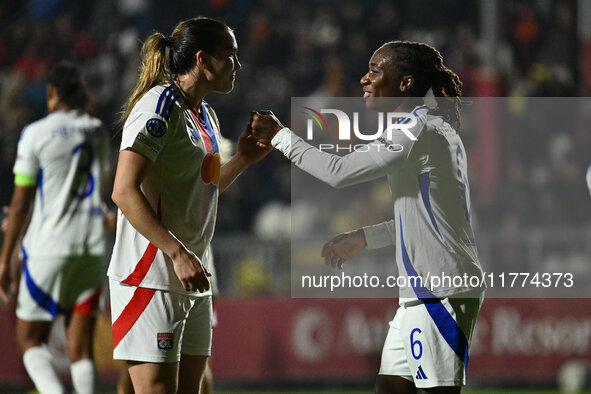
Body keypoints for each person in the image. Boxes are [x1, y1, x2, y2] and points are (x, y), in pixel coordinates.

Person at [251, 41, 485, 393]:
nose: (364, 78)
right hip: (423, 292)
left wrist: (281, 136)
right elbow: (424, 218)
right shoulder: (430, 129)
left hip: (440, 290)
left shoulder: (416, 131)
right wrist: (365, 236)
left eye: (375, 70)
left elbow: (338, 171)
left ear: (405, 83)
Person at [108, 16, 271, 394]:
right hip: (150, 277)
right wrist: (177, 254)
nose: (238, 65)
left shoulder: (206, 115)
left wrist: (243, 159)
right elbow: (123, 190)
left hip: (192, 275)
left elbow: (205, 188)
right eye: (230, 55)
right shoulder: (158, 107)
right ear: (203, 59)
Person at [0, 61, 110, 394]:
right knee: (81, 348)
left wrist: (6, 257)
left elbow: (20, 203)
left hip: (48, 248)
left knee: (30, 339)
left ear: (51, 94)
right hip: (91, 248)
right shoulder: (98, 132)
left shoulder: (35, 134)